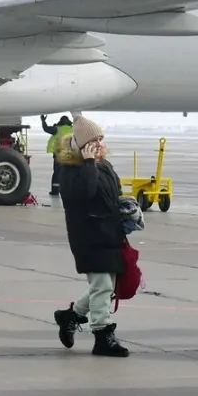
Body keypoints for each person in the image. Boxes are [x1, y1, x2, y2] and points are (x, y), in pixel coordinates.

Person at [52, 114, 132, 357]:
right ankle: (102, 335)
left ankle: (71, 315)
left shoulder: (104, 165)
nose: (98, 144)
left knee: (106, 285)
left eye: (100, 139)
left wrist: (128, 210)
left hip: (110, 234)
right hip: (88, 236)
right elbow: (83, 194)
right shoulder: (71, 169)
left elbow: (115, 191)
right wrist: (87, 163)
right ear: (80, 145)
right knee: (102, 286)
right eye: (93, 141)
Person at [41, 114, 74, 197]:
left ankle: (55, 191)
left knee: (57, 173)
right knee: (69, 172)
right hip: (69, 154)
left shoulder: (57, 129)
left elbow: (46, 129)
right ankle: (68, 190)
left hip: (58, 154)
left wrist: (43, 121)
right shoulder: (73, 129)